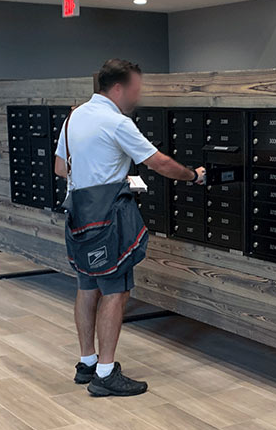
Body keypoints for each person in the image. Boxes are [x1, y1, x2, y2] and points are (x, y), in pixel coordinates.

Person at [54, 59, 205, 397]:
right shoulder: (117, 122)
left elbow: (61, 169)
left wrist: (96, 168)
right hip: (108, 219)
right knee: (116, 291)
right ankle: (106, 373)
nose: (139, 96)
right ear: (119, 88)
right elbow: (158, 162)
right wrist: (192, 175)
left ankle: (87, 363)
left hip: (79, 215)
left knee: (87, 286)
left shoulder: (73, 118)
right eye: (136, 89)